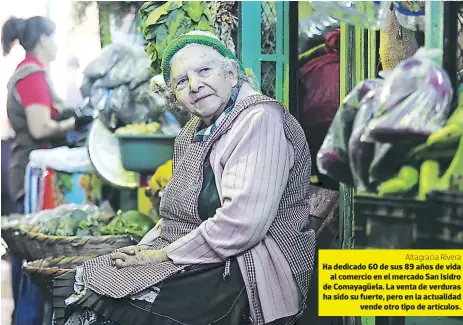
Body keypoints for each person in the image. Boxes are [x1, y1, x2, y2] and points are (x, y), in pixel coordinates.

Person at [53, 31, 316, 325]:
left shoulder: (259, 119)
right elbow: (175, 214)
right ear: (175, 97)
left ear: (231, 73)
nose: (194, 85)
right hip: (206, 254)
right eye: (181, 82)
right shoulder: (193, 131)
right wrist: (146, 247)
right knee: (84, 282)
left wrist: (164, 255)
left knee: (111, 309)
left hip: (251, 264)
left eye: (204, 70)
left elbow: (243, 225)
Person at [1, 16, 91, 325]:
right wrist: (74, 121)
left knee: (26, 252)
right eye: (53, 37)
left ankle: (22, 318)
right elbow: (40, 126)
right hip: (31, 173)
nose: (56, 44)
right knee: (31, 256)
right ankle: (25, 319)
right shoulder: (33, 74)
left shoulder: (30, 72)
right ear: (42, 39)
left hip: (24, 167)